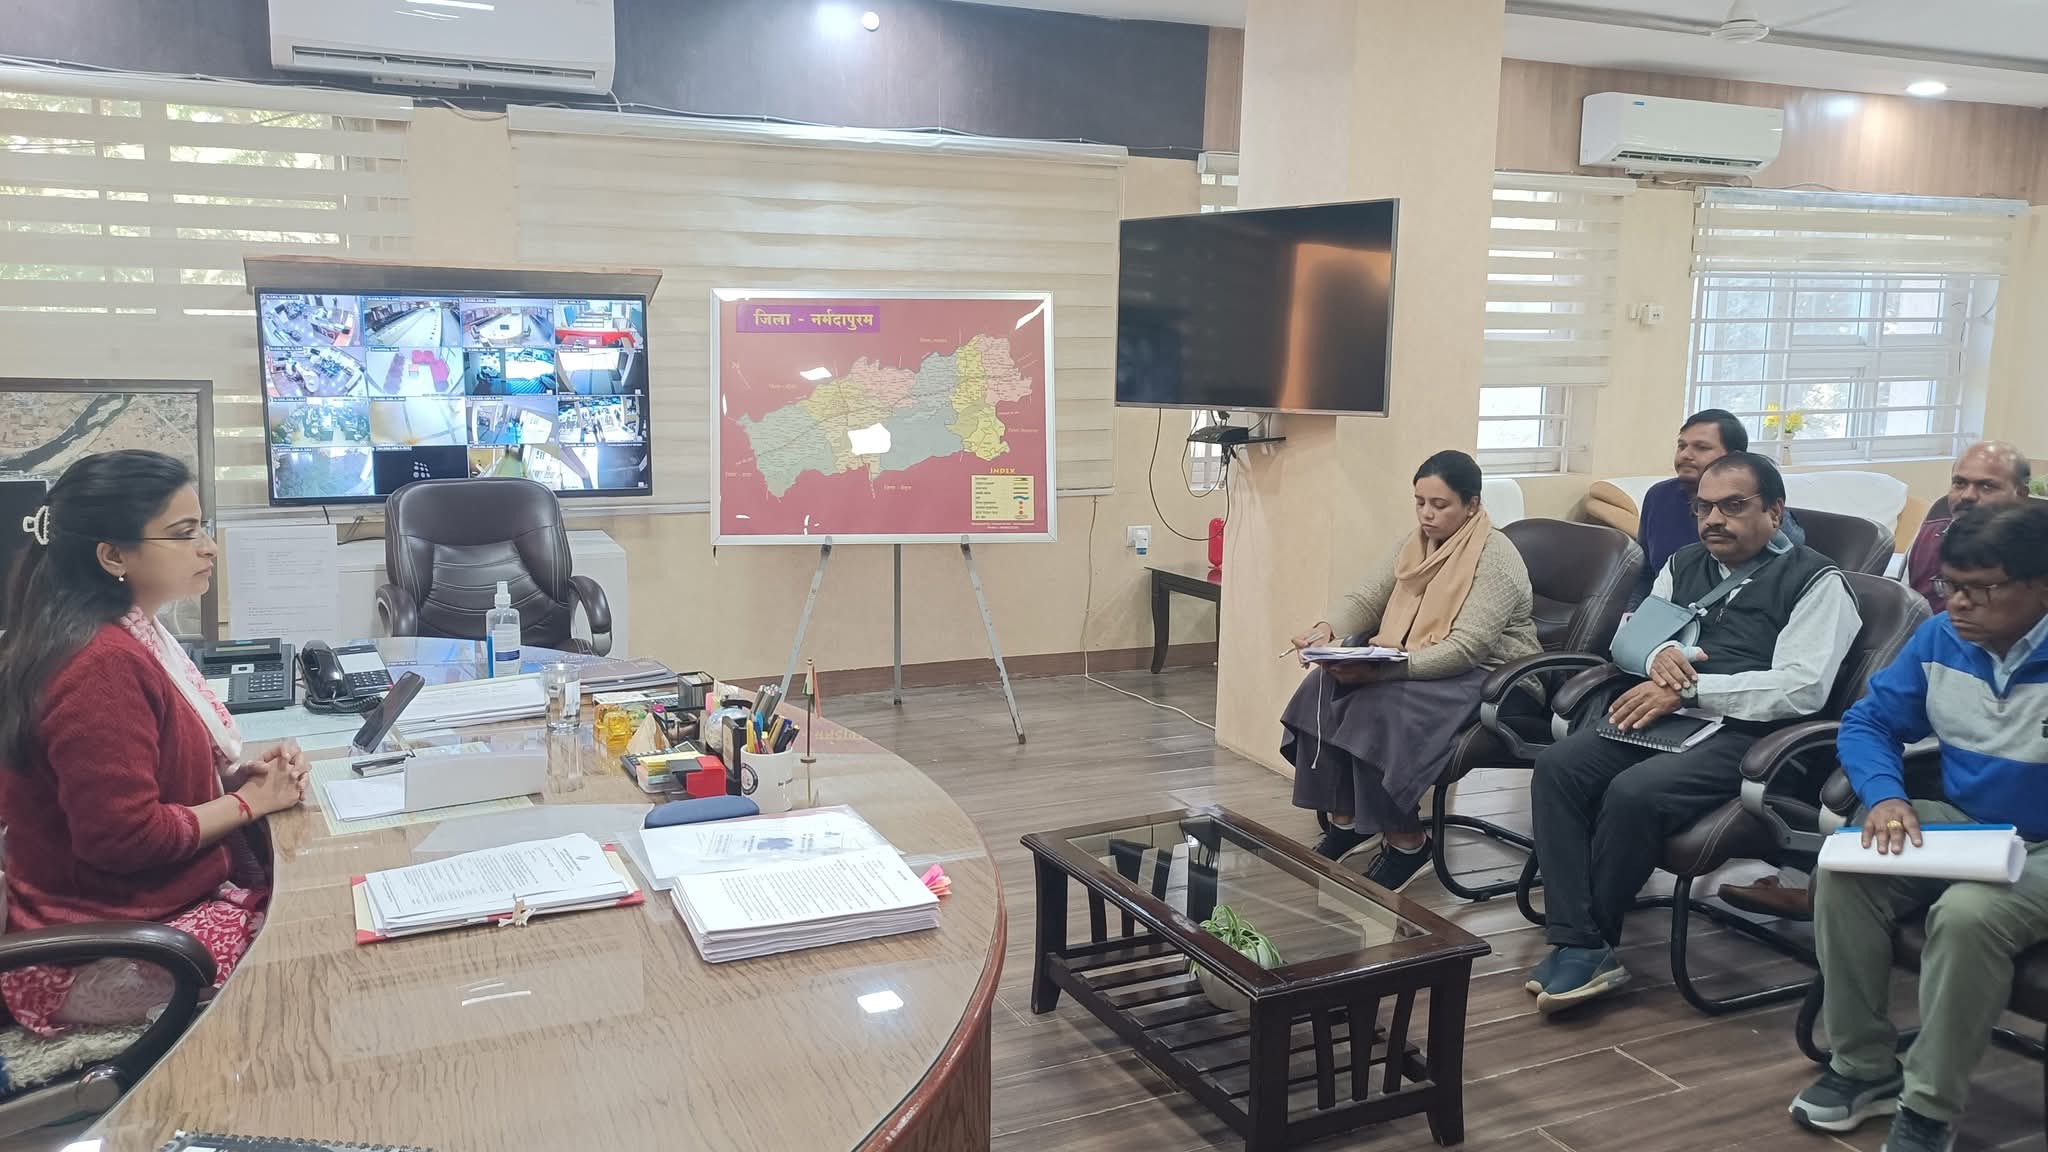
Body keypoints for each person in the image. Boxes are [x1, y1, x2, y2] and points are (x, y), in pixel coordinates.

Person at [1525, 452, 1861, 1013]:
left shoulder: (1818, 582)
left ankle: (1589, 942)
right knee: (1558, 767)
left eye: (1733, 506)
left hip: (1752, 735)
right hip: (1668, 713)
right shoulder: (1684, 564)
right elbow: (1630, 640)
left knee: (1633, 793)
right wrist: (1657, 655)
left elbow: (1802, 688)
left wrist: (1693, 690)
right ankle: (1577, 937)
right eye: (1703, 508)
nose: (1714, 520)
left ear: (1775, 512)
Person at [0, 451, 309, 1035]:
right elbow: (126, 836)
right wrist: (249, 804)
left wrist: (232, 779)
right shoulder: (99, 665)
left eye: (203, 527)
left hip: (135, 914)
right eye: (184, 533)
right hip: (98, 949)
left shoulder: (126, 632)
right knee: (308, 950)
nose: (209, 548)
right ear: (113, 556)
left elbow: (142, 774)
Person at [1789, 502, 2048, 1152]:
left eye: (1980, 589)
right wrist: (1884, 797)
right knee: (1848, 866)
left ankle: (1929, 1108)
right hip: (1971, 823)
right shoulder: (1940, 638)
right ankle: (1864, 1067)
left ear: (2042, 587)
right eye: (1949, 586)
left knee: (1967, 917)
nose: (1957, 603)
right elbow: (1870, 722)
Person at [1282, 450, 1540, 891]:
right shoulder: (1417, 544)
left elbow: (1467, 648)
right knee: (1321, 685)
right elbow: (1368, 597)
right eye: (1420, 502)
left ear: (1472, 505)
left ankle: (1407, 843)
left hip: (1494, 678)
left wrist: (1384, 673)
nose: (1426, 514)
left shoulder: (1495, 558)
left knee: (1378, 706)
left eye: (1440, 505)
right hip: (1424, 660)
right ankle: (1347, 821)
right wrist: (1326, 629)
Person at [1631, 409, 1806, 608]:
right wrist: (1632, 617)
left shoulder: (1763, 512)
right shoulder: (1658, 496)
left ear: (1735, 457)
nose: (1686, 455)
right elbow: (1644, 575)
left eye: (1701, 447)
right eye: (1682, 446)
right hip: (1667, 615)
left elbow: (1788, 575)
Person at [1902, 440, 2032, 614]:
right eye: (1960, 483)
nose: (1968, 496)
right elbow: (1906, 610)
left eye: (1987, 486)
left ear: (2021, 495)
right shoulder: (1928, 534)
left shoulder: (2036, 553)